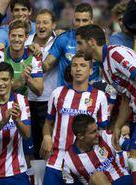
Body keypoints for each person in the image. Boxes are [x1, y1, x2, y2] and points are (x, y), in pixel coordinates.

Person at [75, 24, 136, 185]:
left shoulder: (115, 54)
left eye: (80, 43)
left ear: (91, 42)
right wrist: (118, 126)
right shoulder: (105, 66)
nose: (78, 48)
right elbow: (126, 97)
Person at [40, 54, 109, 185]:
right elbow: (48, 123)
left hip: (83, 162)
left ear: (90, 70)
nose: (78, 69)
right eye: (75, 65)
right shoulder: (57, 93)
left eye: (83, 65)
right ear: (70, 70)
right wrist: (46, 136)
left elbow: (102, 132)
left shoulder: (99, 97)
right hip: (56, 159)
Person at [24, 9, 58, 159]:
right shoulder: (26, 41)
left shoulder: (59, 41)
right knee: (31, 146)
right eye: (38, 22)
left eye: (45, 22)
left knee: (49, 145)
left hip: (50, 101)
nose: (41, 26)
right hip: (28, 100)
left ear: (53, 25)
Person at [62, 114, 132, 185]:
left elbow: (131, 146)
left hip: (125, 180)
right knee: (97, 177)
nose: (98, 134)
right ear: (80, 136)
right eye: (93, 132)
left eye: (97, 129)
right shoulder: (69, 161)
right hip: (99, 181)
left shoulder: (106, 136)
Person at [41, 3, 100, 86]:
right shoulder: (63, 39)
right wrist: (34, 61)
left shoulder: (99, 42)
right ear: (73, 20)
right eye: (77, 20)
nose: (80, 24)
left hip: (92, 95)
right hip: (66, 94)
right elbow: (47, 65)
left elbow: (106, 67)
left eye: (84, 20)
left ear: (92, 21)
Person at [0, 19, 43, 96]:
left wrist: (28, 78)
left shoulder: (34, 58)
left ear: (26, 37)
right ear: (8, 36)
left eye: (20, 36)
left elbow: (39, 91)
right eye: (13, 35)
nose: (16, 39)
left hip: (22, 105)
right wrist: (20, 81)